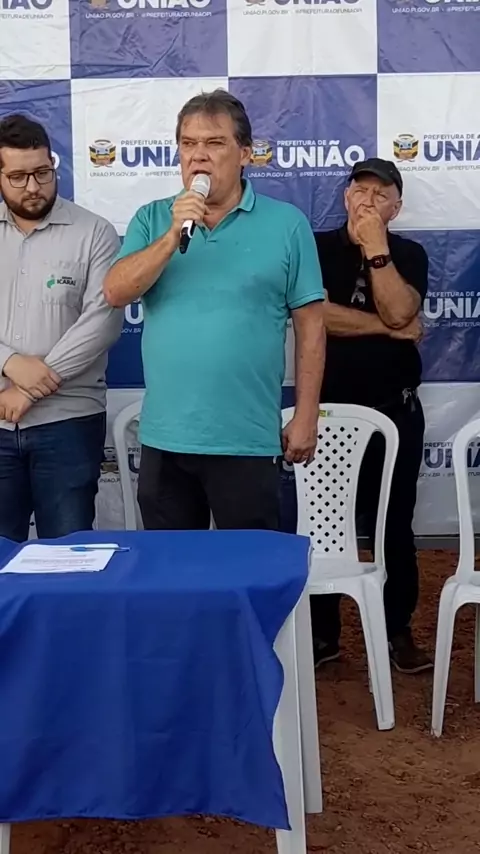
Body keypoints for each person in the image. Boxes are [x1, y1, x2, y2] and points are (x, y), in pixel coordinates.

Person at [104, 89, 325, 530]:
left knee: (248, 565)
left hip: (247, 439)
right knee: (172, 566)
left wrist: (306, 415)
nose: (198, 156)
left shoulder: (287, 224)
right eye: (188, 144)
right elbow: (115, 292)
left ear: (244, 153)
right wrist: (172, 235)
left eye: (214, 143)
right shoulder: (153, 219)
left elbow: (311, 326)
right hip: (167, 439)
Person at [314, 157, 432, 674]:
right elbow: (316, 317)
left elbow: (402, 309)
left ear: (395, 208)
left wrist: (377, 251)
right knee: (323, 527)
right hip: (328, 414)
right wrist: (388, 329)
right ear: (345, 197)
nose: (367, 201)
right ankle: (323, 636)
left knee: (394, 526)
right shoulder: (315, 248)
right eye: (359, 191)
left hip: (395, 411)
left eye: (380, 195)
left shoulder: (408, 253)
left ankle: (395, 630)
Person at [0, 114, 123, 542]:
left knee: (68, 554)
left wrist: (29, 389)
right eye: (18, 177)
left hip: (68, 423)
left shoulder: (95, 232)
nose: (33, 186)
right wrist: (9, 362)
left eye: (42, 172)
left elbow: (102, 322)